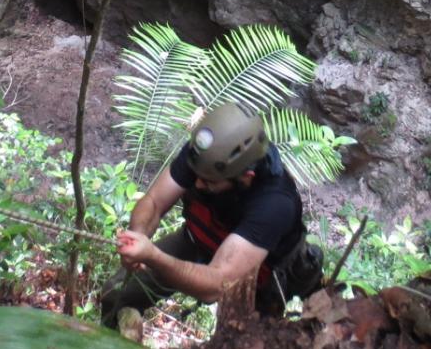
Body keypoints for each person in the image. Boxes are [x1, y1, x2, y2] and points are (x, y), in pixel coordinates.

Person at [100, 102, 325, 329]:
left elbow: (217, 284)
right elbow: (154, 203)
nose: (196, 183)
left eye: (208, 181)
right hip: (199, 240)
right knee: (116, 294)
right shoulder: (205, 157)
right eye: (196, 175)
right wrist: (138, 237)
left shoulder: (274, 204)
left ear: (245, 177)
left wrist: (153, 256)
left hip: (257, 278)